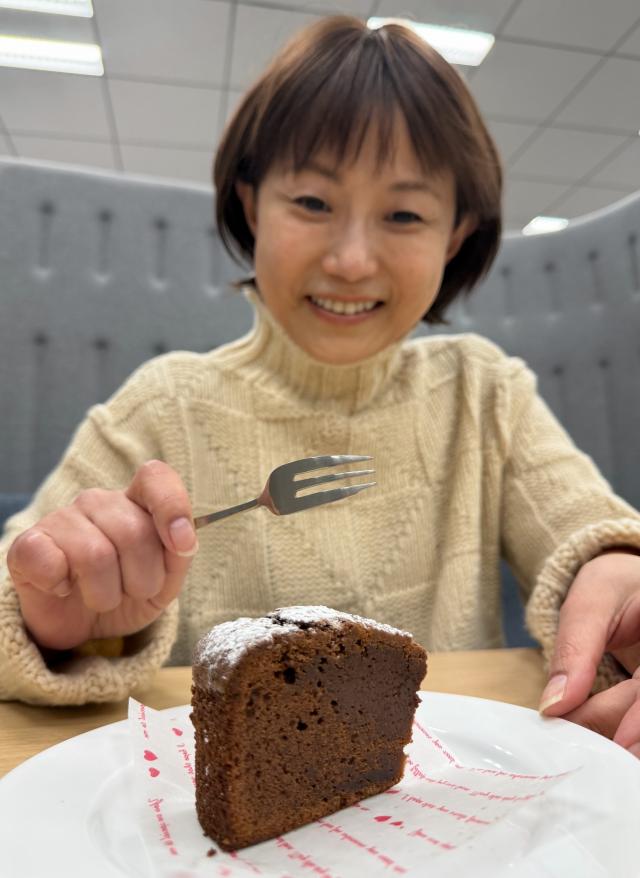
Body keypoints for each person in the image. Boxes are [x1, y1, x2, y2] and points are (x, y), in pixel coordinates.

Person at [1, 16, 639, 757]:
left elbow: (586, 528)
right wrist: (54, 619)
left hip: (447, 793)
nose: (351, 259)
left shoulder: (485, 393)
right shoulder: (162, 406)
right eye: (312, 202)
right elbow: (16, 594)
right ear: (252, 204)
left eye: (404, 214)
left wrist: (617, 576)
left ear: (456, 235)